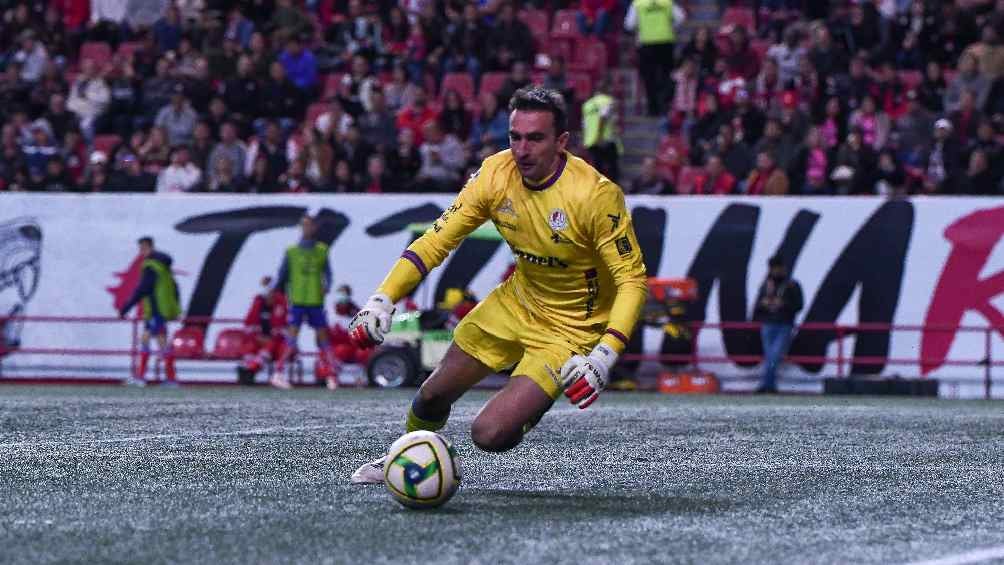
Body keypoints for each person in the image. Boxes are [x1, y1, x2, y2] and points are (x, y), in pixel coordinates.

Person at [347, 87, 647, 484]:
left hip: (572, 330)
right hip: (516, 303)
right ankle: (402, 457)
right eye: (514, 137)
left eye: (535, 138)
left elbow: (632, 279)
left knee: (489, 435)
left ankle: (531, 402)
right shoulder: (494, 174)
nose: (522, 149)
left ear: (561, 142)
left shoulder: (595, 195)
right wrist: (382, 299)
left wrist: (604, 356)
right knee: (433, 394)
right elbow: (437, 239)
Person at [271, 215, 340, 390]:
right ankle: (278, 373)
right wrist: (274, 291)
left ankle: (331, 376)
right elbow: (282, 274)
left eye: (310, 225)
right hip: (298, 300)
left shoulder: (322, 250)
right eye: (304, 225)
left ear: (315, 228)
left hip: (316, 300)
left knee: (323, 338)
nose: (307, 228)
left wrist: (327, 286)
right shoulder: (291, 251)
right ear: (301, 227)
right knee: (292, 337)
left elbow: (328, 273)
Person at [118, 237, 182, 387]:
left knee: (160, 342)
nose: (140, 252)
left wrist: (126, 307)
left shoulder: (151, 266)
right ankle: (149, 377)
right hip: (160, 309)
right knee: (149, 340)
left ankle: (166, 379)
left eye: (142, 249)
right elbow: (175, 288)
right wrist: (174, 308)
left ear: (148, 247)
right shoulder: (163, 266)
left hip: (155, 310)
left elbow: (143, 289)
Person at [625, 0, 686, 116]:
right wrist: (670, 27)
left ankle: (653, 109)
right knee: (666, 76)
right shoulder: (666, 2)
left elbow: (629, 24)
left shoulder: (638, 3)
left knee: (649, 78)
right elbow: (681, 18)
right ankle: (665, 106)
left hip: (646, 44)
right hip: (666, 42)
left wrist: (640, 30)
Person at [752, 256, 803, 394]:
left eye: (778, 268)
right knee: (770, 357)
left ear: (784, 268)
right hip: (768, 324)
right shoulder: (766, 285)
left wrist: (784, 304)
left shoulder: (792, 285)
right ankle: (770, 386)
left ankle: (766, 385)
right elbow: (756, 306)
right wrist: (764, 304)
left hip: (784, 325)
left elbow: (799, 305)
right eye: (773, 268)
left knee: (773, 356)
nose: (775, 271)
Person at [239, 276, 290, 385]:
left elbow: (284, 330)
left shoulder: (282, 304)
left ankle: (250, 370)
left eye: (272, 293)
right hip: (259, 340)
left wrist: (270, 338)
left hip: (276, 343)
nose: (270, 296)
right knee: (250, 346)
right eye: (267, 294)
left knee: (271, 346)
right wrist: (257, 336)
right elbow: (248, 325)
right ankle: (247, 370)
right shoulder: (257, 303)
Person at [581, 77, 620, 182]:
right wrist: (599, 137)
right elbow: (603, 117)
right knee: (612, 170)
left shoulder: (587, 104)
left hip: (590, 141)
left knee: (596, 170)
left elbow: (584, 124)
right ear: (607, 89)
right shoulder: (608, 102)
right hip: (604, 140)